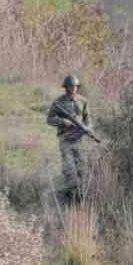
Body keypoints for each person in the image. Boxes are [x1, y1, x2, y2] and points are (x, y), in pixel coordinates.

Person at [45, 74, 91, 204]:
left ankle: (81, 197)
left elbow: (89, 120)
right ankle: (69, 197)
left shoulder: (83, 101)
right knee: (69, 169)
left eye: (75, 86)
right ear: (66, 87)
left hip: (79, 139)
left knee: (82, 169)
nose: (73, 88)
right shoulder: (58, 102)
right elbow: (49, 119)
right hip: (65, 138)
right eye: (71, 86)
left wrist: (87, 128)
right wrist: (63, 121)